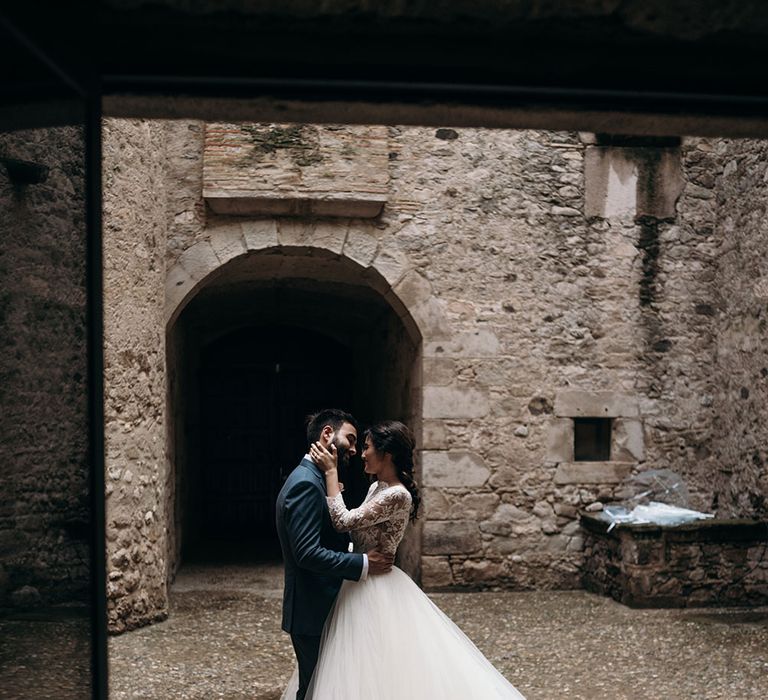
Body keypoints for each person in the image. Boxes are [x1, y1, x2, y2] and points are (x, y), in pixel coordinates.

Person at [284, 419, 528, 700]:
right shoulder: (376, 487)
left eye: (366, 447)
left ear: (387, 454)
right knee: (356, 663)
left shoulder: (398, 495)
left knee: (380, 662)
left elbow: (343, 520)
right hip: (359, 582)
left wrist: (330, 474)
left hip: (377, 587)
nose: (362, 454)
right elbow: (358, 527)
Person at [275, 409, 395, 700]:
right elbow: (307, 553)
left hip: (320, 607)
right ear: (327, 434)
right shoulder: (305, 484)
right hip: (312, 610)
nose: (354, 449)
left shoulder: (315, 480)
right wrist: (364, 563)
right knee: (315, 690)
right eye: (351, 439)